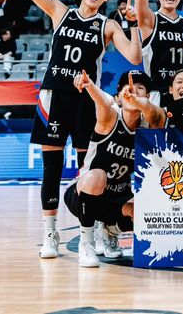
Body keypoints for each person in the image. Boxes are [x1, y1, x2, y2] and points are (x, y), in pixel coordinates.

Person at [19, 0, 142, 260]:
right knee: (52, 168)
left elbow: (135, 57)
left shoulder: (108, 25)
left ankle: (95, 229)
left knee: (91, 170)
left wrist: (134, 24)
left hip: (87, 101)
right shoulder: (61, 12)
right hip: (54, 97)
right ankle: (50, 233)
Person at [65, 70, 152, 267]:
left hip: (116, 197)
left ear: (147, 97)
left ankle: (109, 230)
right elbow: (103, 103)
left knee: (146, 212)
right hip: (83, 192)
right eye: (128, 88)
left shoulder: (147, 128)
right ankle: (86, 244)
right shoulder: (111, 117)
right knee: (97, 176)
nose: (133, 92)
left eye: (140, 88)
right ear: (119, 97)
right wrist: (90, 85)